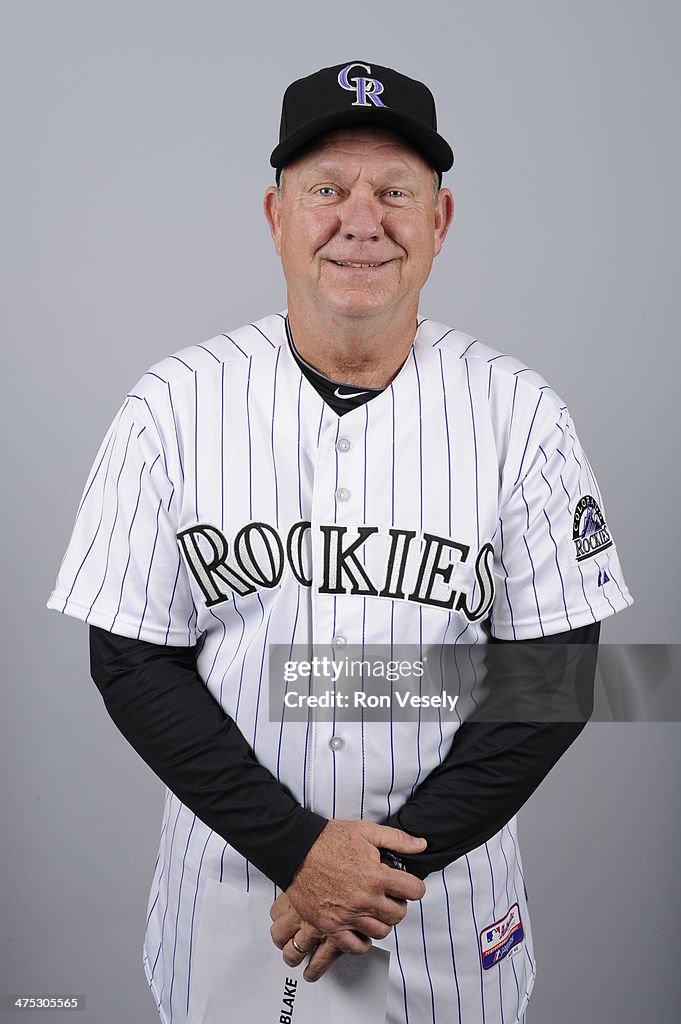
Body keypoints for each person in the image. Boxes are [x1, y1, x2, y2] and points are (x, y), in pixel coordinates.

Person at [48, 60, 633, 1024]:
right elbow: (130, 656)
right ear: (276, 218)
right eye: (327, 189)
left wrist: (380, 870)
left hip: (444, 915)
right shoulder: (172, 407)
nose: (361, 219)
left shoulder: (521, 414)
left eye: (394, 191)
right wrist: (297, 852)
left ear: (438, 222)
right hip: (239, 901)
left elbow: (557, 671)